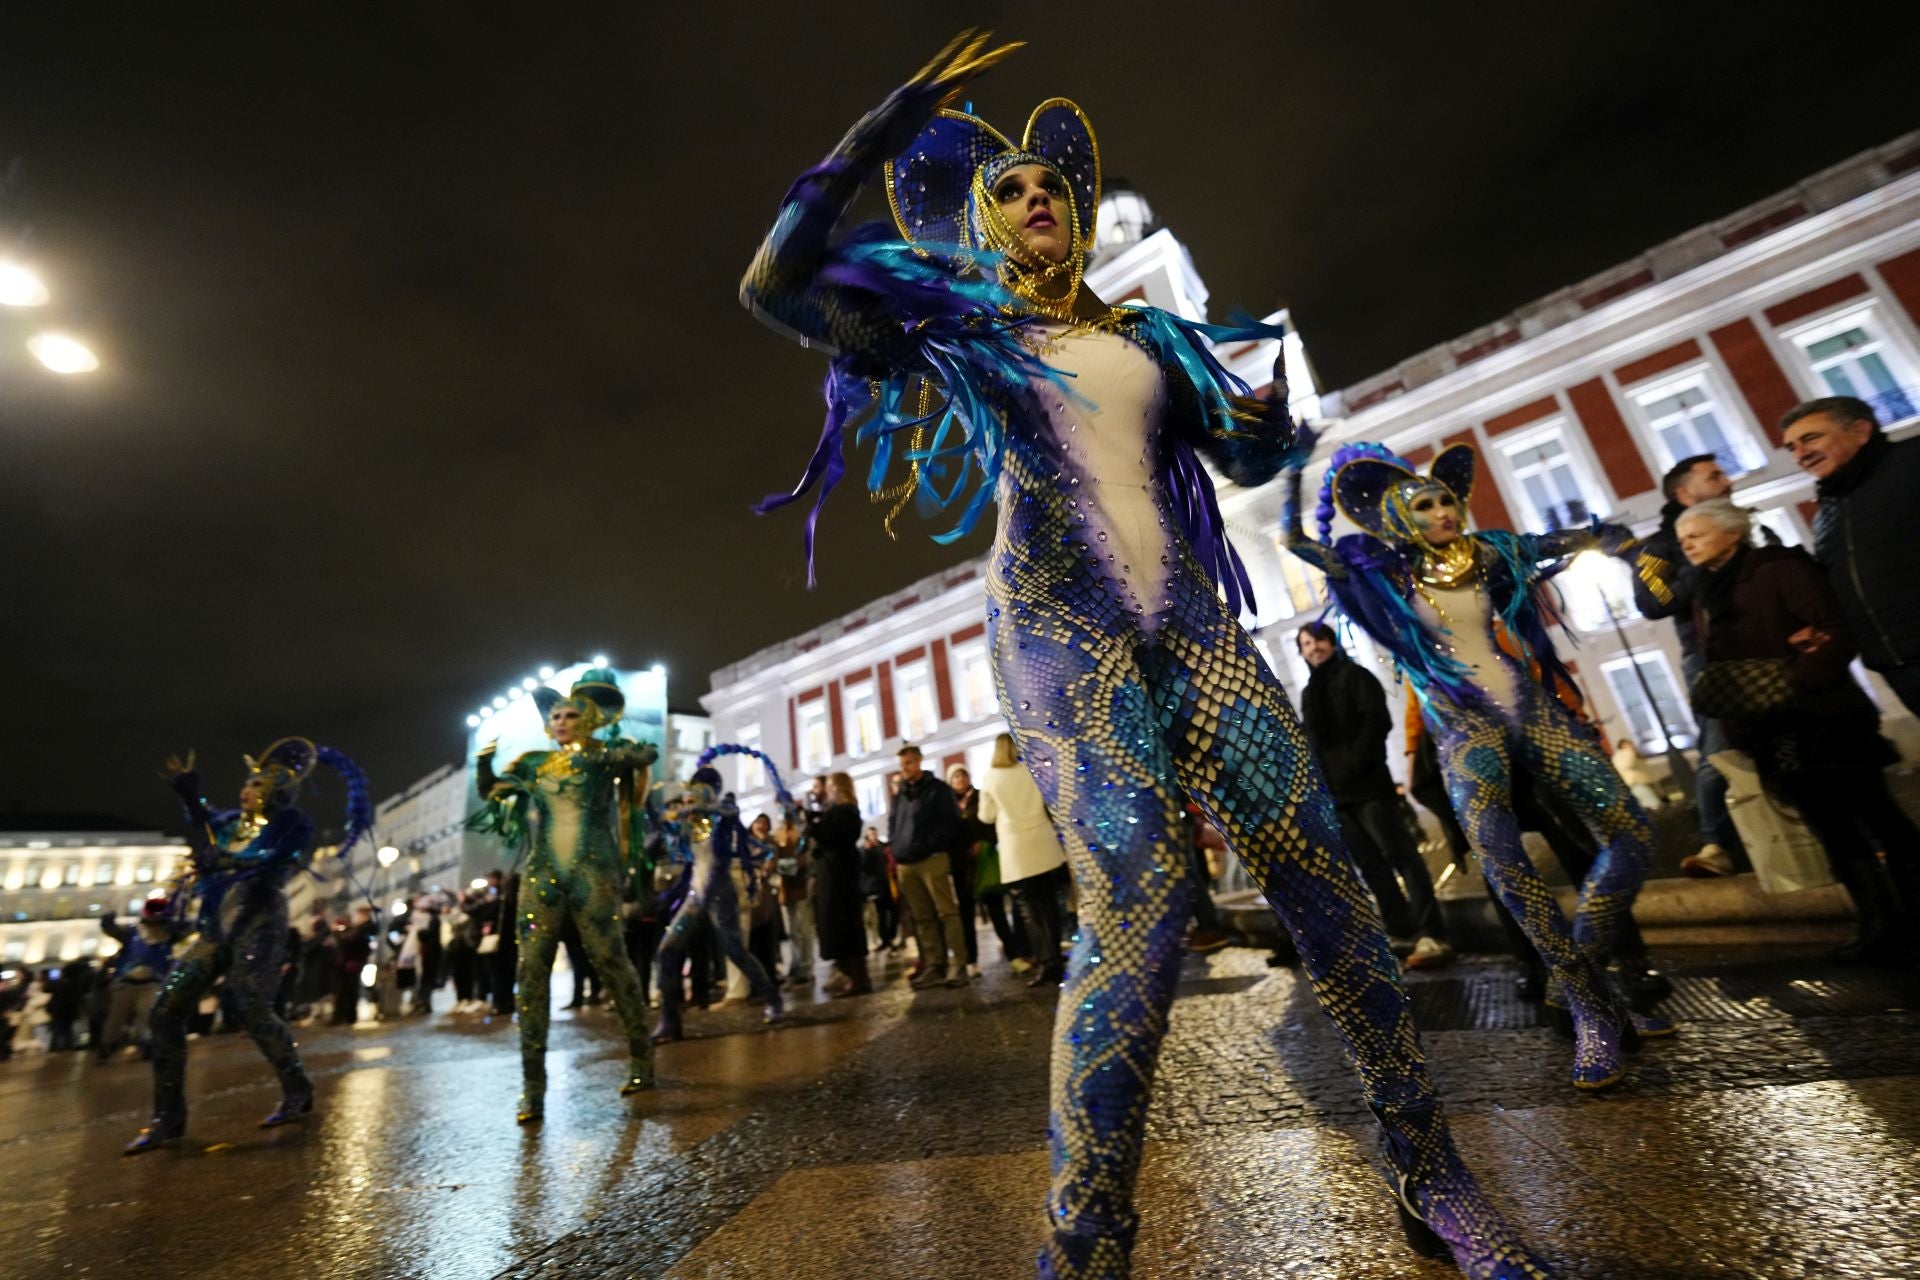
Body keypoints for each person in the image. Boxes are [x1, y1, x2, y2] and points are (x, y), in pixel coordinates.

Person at [741, 33, 1552, 1277]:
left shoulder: (1154, 334)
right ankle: (1087, 1242)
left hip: (1193, 624)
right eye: (1009, 188)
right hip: (1057, 628)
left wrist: (1271, 424)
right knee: (1139, 899)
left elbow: (1241, 454)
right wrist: (877, 131)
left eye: (1049, 185)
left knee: (1325, 881)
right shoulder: (960, 334)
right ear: (985, 223)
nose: (1035, 196)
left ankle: (1430, 1171)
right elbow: (775, 282)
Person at [1283, 435, 1670, 1093]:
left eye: (1446, 500)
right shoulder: (1382, 574)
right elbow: (1296, 541)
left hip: (1529, 707)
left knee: (1632, 833)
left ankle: (1577, 972)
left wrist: (1630, 548)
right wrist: (1294, 467)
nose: (1443, 512)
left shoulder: (1490, 552)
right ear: (1398, 519)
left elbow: (1585, 537)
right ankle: (1589, 1007)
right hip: (1462, 726)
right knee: (1502, 862)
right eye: (1425, 505)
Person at [1677, 498, 1920, 966]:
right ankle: (1879, 926)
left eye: (1697, 535)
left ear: (1732, 533)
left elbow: (1833, 631)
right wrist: (1739, 728)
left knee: (1878, 816)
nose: (1687, 544)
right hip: (1771, 731)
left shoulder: (1779, 568)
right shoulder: (1706, 591)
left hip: (1827, 718)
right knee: (1831, 829)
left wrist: (1794, 680)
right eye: (1683, 538)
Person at [126, 736, 373, 1153]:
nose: (246, 789)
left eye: (257, 784)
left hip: (259, 924)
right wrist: (190, 794)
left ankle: (297, 1087)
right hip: (215, 930)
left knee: (251, 1005)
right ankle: (168, 1117)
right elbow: (203, 820)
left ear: (278, 791)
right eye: (247, 782)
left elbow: (270, 857)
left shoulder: (293, 823)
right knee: (165, 1010)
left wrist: (226, 860)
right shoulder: (229, 824)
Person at [470, 668, 659, 1123]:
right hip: (543, 875)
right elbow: (491, 790)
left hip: (594, 872)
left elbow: (646, 753)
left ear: (588, 719)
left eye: (571, 715)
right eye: (555, 716)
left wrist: (612, 744)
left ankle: (641, 1058)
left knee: (610, 960)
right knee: (531, 971)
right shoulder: (535, 763)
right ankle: (533, 1088)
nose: (560, 721)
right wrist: (484, 761)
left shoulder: (602, 758)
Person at [1296, 622, 1453, 971]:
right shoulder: (1309, 693)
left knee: (1401, 857)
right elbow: (1312, 740)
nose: (1314, 648)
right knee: (1370, 865)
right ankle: (1400, 931)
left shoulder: (1356, 676)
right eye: (1306, 644)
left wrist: (1357, 762)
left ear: (1331, 642)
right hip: (1337, 795)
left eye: (1318, 640)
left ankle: (1432, 932)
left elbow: (1377, 721)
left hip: (1369, 787)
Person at [1629, 453, 1758, 877]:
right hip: (1709, 655)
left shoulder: (1744, 527)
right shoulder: (1662, 546)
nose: (1727, 480)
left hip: (1765, 645)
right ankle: (1715, 842)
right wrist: (1698, 567)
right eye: (1714, 476)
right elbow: (1652, 601)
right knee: (1719, 748)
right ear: (1684, 493)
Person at [1781, 396, 1920, 715]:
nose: (1800, 455)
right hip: (1896, 665)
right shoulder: (1828, 511)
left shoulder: (1912, 462)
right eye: (1792, 448)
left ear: (1860, 431)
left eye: (1810, 438)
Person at [650, 753, 786, 1041]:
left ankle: (773, 999)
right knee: (667, 950)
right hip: (696, 896)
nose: (689, 802)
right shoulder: (688, 827)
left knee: (735, 951)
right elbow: (663, 831)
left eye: (696, 795)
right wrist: (651, 807)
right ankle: (669, 1020)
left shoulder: (722, 818)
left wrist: (703, 807)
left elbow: (728, 811)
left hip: (721, 895)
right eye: (688, 797)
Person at [978, 732, 1068, 987]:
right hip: (1043, 843)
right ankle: (1056, 958)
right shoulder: (1030, 770)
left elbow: (986, 816)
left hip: (1016, 850)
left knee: (1029, 911)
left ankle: (1045, 961)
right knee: (1050, 904)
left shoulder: (991, 777)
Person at [885, 744, 968, 989]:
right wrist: (896, 847)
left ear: (919, 761)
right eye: (902, 764)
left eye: (909, 763)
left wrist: (929, 844)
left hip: (932, 859)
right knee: (922, 918)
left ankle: (959, 964)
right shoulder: (901, 794)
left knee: (947, 912)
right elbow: (893, 823)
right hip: (907, 864)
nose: (905, 768)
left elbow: (950, 823)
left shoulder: (937, 789)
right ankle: (934, 964)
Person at [810, 772, 873, 996]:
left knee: (845, 924)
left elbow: (830, 835)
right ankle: (851, 974)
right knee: (838, 924)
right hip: (834, 872)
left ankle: (857, 977)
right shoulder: (839, 811)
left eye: (830, 786)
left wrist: (813, 825)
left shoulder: (846, 811)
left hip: (839, 874)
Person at [951, 763, 1018, 972]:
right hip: (963, 865)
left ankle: (1014, 955)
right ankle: (971, 961)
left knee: (996, 910)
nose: (960, 780)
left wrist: (984, 841)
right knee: (966, 915)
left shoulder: (980, 797)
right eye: (955, 777)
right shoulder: (949, 803)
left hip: (984, 861)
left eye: (963, 775)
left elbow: (992, 822)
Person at [857, 826, 899, 953]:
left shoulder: (882, 847)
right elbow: (864, 867)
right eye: (871, 834)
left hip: (886, 884)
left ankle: (891, 936)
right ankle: (885, 940)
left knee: (893, 911)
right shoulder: (864, 850)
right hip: (875, 887)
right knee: (880, 915)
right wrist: (868, 850)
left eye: (874, 834)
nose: (873, 836)